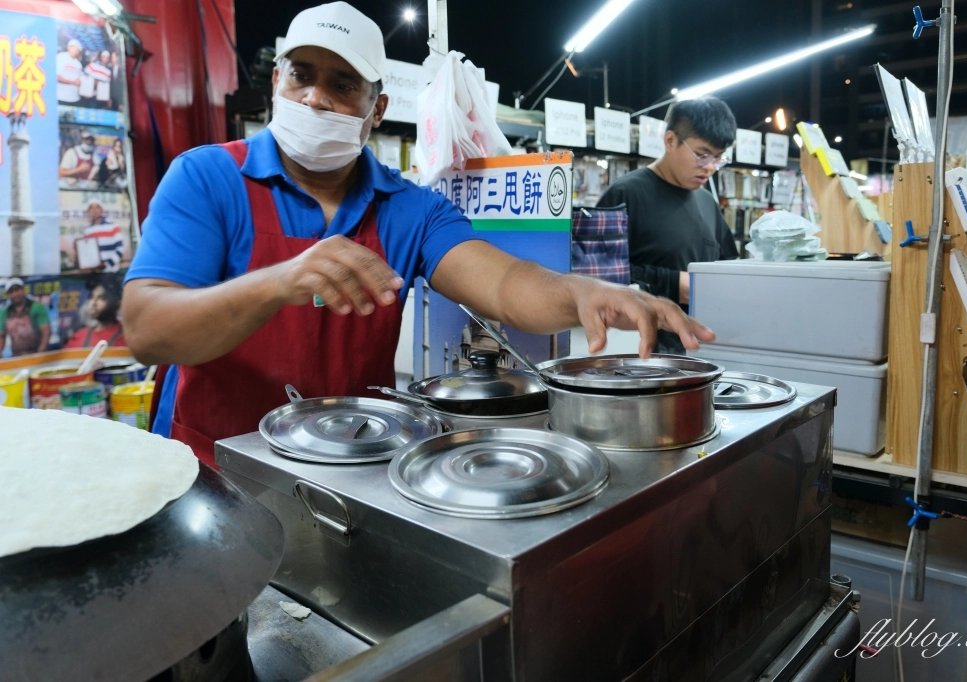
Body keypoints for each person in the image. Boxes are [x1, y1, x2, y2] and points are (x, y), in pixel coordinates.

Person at [121, 2, 713, 465]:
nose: (315, 98)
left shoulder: (410, 209)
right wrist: (277, 284)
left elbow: (503, 283)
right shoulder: (207, 177)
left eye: (342, 84)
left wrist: (581, 291)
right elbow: (147, 329)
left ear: (377, 109)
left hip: (348, 467)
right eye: (301, 76)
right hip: (214, 465)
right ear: (277, 81)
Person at [597, 97, 739, 354]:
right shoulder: (626, 195)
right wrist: (672, 284)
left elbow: (729, 264)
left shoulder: (707, 203)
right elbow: (596, 278)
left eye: (718, 158)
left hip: (699, 352)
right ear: (671, 140)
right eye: (702, 154)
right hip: (638, 355)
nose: (710, 167)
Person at [65, 277, 128, 349]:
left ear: (117, 303)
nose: (93, 303)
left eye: (101, 298)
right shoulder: (78, 337)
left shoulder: (127, 338)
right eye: (91, 297)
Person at [0, 279, 51, 357]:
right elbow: (1, 336)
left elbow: (46, 332)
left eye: (17, 290)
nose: (15, 294)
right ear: (8, 295)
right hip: (17, 357)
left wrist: (40, 352)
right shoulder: (5, 313)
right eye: (11, 292)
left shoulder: (37, 307)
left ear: (23, 290)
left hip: (37, 354)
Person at [81, 202, 125, 273]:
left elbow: (120, 249)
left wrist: (106, 265)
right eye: (91, 208)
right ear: (88, 212)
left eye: (97, 207)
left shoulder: (113, 226)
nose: (94, 210)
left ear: (102, 210)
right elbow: (86, 252)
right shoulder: (87, 230)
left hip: (111, 272)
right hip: (93, 273)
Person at [56, 39, 84, 104]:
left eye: (77, 49)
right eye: (73, 48)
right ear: (68, 47)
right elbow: (57, 77)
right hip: (61, 97)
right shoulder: (60, 57)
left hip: (75, 99)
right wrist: (73, 82)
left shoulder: (78, 64)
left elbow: (79, 80)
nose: (75, 51)